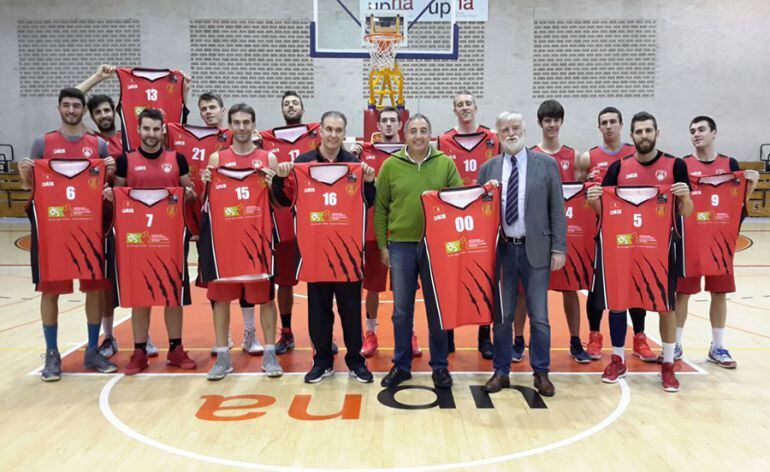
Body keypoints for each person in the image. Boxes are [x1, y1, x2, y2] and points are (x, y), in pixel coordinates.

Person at [586, 111, 693, 392]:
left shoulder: (675, 165)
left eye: (648, 131)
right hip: (623, 248)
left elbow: (687, 211)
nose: (643, 136)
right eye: (639, 132)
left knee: (665, 308)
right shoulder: (619, 169)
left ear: (657, 133)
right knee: (618, 304)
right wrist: (594, 201)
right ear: (632, 137)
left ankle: (668, 364)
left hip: (660, 249)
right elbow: (604, 213)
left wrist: (685, 197)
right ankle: (618, 358)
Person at [18, 87, 117, 381]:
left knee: (95, 290)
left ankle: (92, 350)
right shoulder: (43, 144)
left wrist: (109, 172)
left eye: (76, 106)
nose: (71, 110)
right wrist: (26, 174)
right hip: (53, 231)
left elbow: (103, 189)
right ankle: (52, 353)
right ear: (59, 108)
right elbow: (29, 188)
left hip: (89, 230)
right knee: (50, 291)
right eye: (67, 105)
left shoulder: (97, 146)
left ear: (83, 110)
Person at [272, 111, 375, 384]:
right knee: (318, 312)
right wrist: (280, 178)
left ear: (344, 134)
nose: (332, 135)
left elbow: (370, 201)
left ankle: (355, 360)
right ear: (320, 132)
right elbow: (282, 201)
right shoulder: (302, 163)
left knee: (351, 311)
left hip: (348, 254)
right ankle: (322, 361)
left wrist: (369, 181)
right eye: (328, 129)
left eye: (338, 130)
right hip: (315, 252)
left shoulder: (354, 163)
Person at [480, 111, 566, 397]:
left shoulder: (546, 164)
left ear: (524, 129)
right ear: (497, 133)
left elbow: (557, 209)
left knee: (539, 316)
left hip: (537, 249)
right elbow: (479, 212)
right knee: (502, 317)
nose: (511, 133)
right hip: (503, 251)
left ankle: (541, 372)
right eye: (505, 129)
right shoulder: (489, 168)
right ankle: (501, 370)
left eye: (515, 127)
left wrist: (559, 248)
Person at [374, 114, 463, 389]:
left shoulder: (445, 163)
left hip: (436, 247)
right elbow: (380, 209)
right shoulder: (390, 166)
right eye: (413, 130)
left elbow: (458, 200)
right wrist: (382, 245)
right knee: (402, 311)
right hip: (400, 245)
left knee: (437, 310)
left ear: (431, 135)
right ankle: (401, 366)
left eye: (424, 130)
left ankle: (439, 367)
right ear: (405, 134)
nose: (419, 135)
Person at [109, 108, 198, 375]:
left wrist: (189, 193)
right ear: (138, 129)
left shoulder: (177, 159)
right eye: (146, 129)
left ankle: (175, 348)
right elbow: (118, 196)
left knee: (172, 295)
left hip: (169, 237)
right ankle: (139, 351)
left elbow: (188, 195)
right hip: (136, 240)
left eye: (156, 129)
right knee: (140, 296)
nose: (151, 134)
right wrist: (111, 196)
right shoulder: (125, 161)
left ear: (162, 131)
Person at [200, 103, 283, 380]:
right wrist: (205, 182)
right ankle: (223, 356)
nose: (242, 127)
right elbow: (207, 204)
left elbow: (276, 203)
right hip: (225, 244)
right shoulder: (216, 160)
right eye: (236, 122)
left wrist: (274, 185)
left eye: (246, 122)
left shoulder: (267, 159)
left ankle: (270, 353)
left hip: (258, 243)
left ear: (254, 124)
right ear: (230, 126)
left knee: (266, 299)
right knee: (221, 300)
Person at [675, 115, 759, 367]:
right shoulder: (682, 165)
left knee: (719, 293)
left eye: (701, 129)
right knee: (682, 294)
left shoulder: (729, 164)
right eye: (692, 130)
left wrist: (751, 186)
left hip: (720, 243)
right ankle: (676, 344)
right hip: (690, 243)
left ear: (714, 133)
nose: (696, 134)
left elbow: (738, 204)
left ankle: (718, 346)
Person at [513, 99, 588, 364]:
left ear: (561, 122)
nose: (552, 124)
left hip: (561, 233)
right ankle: (518, 340)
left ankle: (575, 341)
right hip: (533, 235)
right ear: (540, 123)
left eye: (556, 120)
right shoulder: (530, 155)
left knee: (570, 290)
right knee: (524, 291)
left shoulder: (574, 157)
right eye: (547, 120)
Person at [576, 107, 647, 360]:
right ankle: (595, 336)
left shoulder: (634, 153)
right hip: (598, 231)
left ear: (620, 124)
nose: (608, 126)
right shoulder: (588, 157)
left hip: (631, 230)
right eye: (603, 122)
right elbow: (579, 194)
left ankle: (639, 337)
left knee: (635, 282)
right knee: (596, 287)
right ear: (599, 127)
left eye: (612, 122)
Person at [260, 92, 326, 355]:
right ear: (281, 110)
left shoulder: (317, 136)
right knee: (284, 282)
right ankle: (286, 332)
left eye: (294, 103)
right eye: (286, 103)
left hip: (314, 221)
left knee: (321, 282)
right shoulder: (266, 142)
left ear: (302, 108)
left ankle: (323, 336)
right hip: (284, 220)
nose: (290, 106)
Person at [437, 91, 499, 358]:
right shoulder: (442, 140)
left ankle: (484, 337)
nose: (464, 108)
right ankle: (448, 332)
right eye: (459, 105)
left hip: (485, 215)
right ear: (454, 110)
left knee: (486, 277)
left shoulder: (493, 138)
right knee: (453, 275)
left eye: (468, 104)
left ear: (476, 108)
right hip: (453, 216)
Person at [358, 107, 422, 358]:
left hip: (403, 234)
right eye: (383, 120)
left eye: (392, 120)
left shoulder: (411, 154)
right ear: (378, 124)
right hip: (374, 232)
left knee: (403, 289)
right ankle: (370, 332)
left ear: (399, 125)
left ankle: (409, 333)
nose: (387, 124)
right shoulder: (363, 153)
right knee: (372, 286)